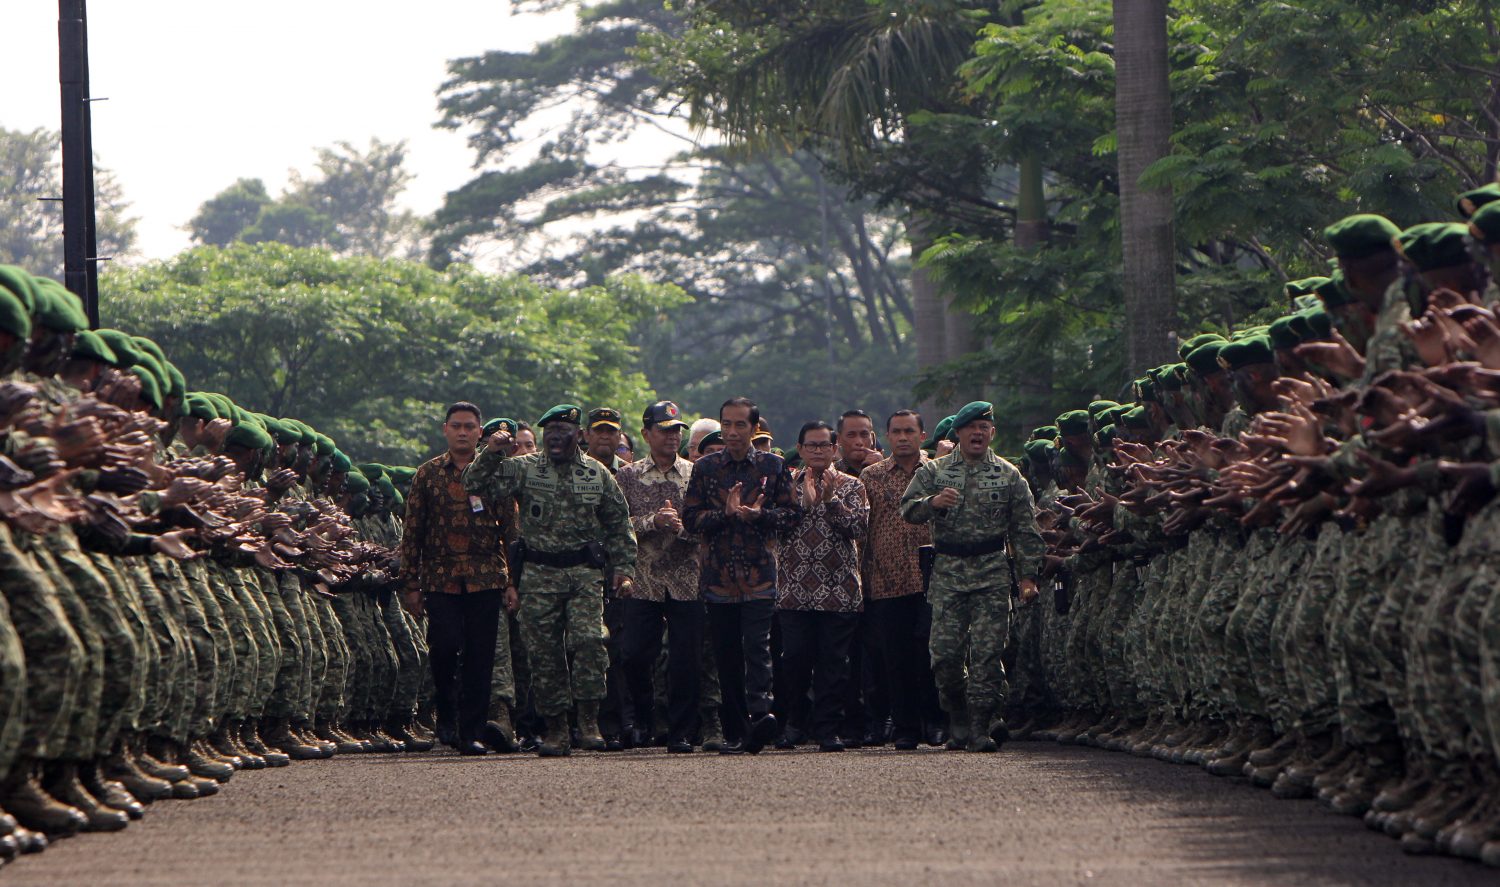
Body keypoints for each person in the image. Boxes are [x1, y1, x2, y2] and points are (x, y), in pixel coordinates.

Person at [465, 405, 636, 757]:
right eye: (550, 431)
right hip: (540, 575)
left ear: (579, 435)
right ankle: (557, 728)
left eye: (564, 430)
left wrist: (625, 567)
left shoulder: (596, 473)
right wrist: (491, 451)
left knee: (589, 640)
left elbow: (619, 522)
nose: (556, 437)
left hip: (584, 574)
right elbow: (473, 483)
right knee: (544, 654)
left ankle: (588, 720)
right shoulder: (526, 469)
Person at [901, 401, 1043, 752]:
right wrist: (932, 503)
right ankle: (958, 717)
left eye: (984, 427)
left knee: (987, 653)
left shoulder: (1009, 475)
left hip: (991, 571)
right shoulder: (934, 471)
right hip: (948, 572)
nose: (977, 433)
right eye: (971, 427)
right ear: (959, 433)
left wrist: (1028, 577)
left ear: (992, 433)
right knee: (945, 656)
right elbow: (907, 509)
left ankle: (981, 726)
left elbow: (1025, 530)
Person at [683, 397, 801, 754]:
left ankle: (761, 716)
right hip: (718, 579)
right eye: (727, 425)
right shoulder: (704, 469)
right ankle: (736, 730)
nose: (732, 432)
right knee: (726, 656)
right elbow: (690, 520)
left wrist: (758, 516)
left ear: (753, 429)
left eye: (740, 425)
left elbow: (792, 516)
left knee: (758, 649)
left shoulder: (774, 465)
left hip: (760, 577)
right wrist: (725, 514)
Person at [398, 403, 513, 756]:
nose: (463, 432)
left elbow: (510, 530)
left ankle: (471, 732)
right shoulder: (427, 474)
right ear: (445, 430)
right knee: (445, 647)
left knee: (480, 657)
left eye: (469, 427)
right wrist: (410, 584)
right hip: (440, 578)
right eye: (456, 426)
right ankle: (445, 713)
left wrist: (513, 581)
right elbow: (412, 531)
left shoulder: (497, 473)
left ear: (481, 432)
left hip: (486, 577)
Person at [615, 401, 704, 752]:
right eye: (665, 430)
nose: (673, 436)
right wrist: (654, 521)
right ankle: (643, 718)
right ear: (646, 434)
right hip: (644, 579)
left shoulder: (697, 473)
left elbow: (707, 524)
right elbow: (617, 526)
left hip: (687, 578)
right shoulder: (628, 476)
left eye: (677, 430)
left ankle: (681, 730)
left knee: (686, 659)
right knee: (634, 654)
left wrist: (682, 529)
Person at [776, 421, 869, 752]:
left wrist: (830, 501)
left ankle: (829, 728)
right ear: (800, 449)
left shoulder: (852, 486)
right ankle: (794, 724)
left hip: (839, 591)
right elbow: (776, 527)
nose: (817, 451)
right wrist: (804, 505)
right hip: (794, 591)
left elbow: (858, 527)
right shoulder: (786, 485)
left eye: (824, 446)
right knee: (795, 660)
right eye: (811, 446)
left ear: (835, 449)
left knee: (834, 665)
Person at [861, 409, 940, 749]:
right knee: (896, 658)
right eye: (897, 431)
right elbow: (862, 531)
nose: (904, 437)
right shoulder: (871, 476)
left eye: (910, 431)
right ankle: (905, 727)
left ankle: (936, 723)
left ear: (923, 436)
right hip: (887, 579)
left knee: (933, 654)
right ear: (887, 436)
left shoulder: (939, 472)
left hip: (932, 579)